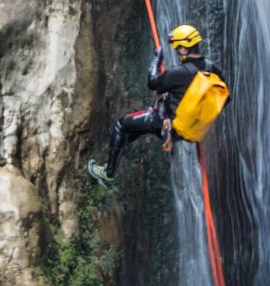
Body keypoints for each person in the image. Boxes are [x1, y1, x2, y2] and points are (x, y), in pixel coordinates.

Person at [88, 24, 226, 187]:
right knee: (135, 129)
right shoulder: (212, 68)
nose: (176, 51)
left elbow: (152, 82)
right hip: (187, 130)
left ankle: (108, 173)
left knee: (121, 125)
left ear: (183, 49)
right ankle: (118, 150)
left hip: (164, 124)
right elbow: (222, 96)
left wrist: (156, 59)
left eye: (177, 48)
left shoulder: (178, 73)